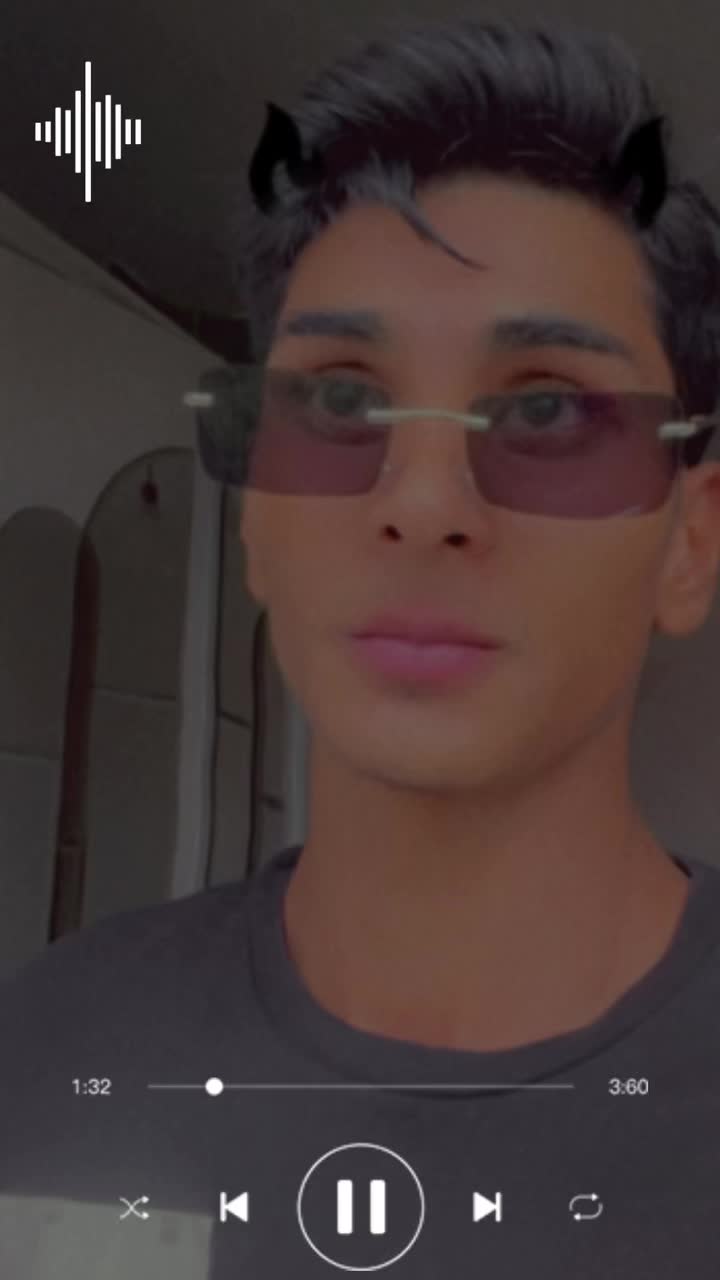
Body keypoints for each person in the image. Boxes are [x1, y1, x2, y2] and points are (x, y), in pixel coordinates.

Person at [3, 15, 720, 1280]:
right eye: (340, 397)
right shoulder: (43, 1049)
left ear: (690, 541)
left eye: (546, 405)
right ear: (256, 525)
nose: (424, 499)